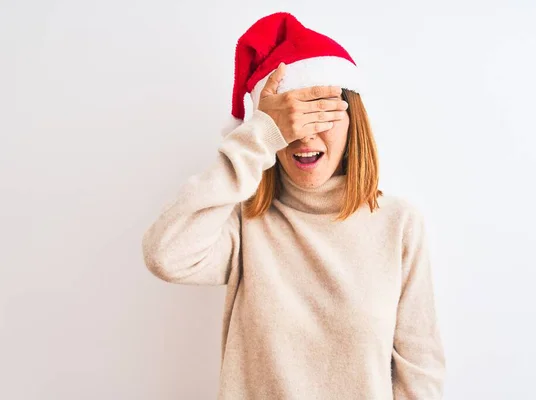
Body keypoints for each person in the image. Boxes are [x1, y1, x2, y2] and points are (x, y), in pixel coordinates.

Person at [142, 12, 445, 400]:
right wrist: (259, 136)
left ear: (353, 120)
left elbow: (421, 374)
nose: (304, 134)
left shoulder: (399, 224)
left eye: (321, 112)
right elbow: (165, 255)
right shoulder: (244, 223)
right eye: (291, 118)